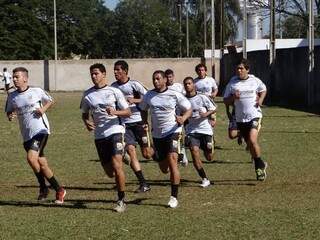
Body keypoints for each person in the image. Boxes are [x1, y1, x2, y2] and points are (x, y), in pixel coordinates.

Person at [5, 67, 66, 203]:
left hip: (41, 130)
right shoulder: (12, 96)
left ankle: (43, 188)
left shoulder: (36, 91)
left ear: (25, 78)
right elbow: (9, 111)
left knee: (31, 158)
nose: (14, 79)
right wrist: (11, 115)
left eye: (17, 77)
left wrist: (43, 109)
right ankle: (59, 189)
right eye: (13, 77)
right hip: (26, 135)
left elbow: (51, 100)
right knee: (42, 164)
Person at [80, 63, 131, 212]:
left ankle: (121, 201)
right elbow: (84, 113)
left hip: (116, 130)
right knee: (110, 173)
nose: (94, 76)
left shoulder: (114, 91)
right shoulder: (88, 95)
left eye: (96, 73)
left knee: (117, 165)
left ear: (104, 74)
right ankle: (124, 154)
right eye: (92, 74)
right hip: (100, 135)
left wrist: (115, 112)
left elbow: (127, 112)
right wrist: (87, 122)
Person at [139, 70, 192, 208]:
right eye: (153, 79)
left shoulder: (174, 94)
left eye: (158, 79)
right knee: (164, 168)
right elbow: (143, 109)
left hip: (173, 131)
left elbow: (189, 109)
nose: (155, 81)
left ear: (164, 80)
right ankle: (170, 160)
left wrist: (183, 118)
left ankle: (174, 197)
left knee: (172, 160)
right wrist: (145, 122)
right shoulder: (149, 95)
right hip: (157, 135)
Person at [111, 60, 152, 193]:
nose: (115, 72)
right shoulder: (113, 87)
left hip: (139, 122)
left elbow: (149, 98)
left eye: (118, 70)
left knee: (146, 154)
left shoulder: (135, 85)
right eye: (114, 70)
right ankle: (143, 183)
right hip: (125, 125)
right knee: (131, 151)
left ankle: (160, 152)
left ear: (125, 71)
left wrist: (135, 100)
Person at [223, 59, 267, 181]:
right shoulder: (232, 83)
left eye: (241, 68)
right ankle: (261, 163)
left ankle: (258, 168)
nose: (239, 70)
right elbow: (225, 100)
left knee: (253, 141)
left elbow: (263, 89)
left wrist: (261, 100)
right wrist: (233, 97)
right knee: (250, 145)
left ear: (247, 69)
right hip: (240, 119)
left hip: (255, 115)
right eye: (237, 68)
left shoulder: (255, 80)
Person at [183, 77, 216, 187]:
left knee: (209, 157)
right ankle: (204, 178)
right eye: (186, 84)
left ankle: (209, 145)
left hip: (205, 130)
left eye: (189, 83)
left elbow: (214, 108)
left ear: (194, 85)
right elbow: (179, 114)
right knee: (194, 151)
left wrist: (206, 115)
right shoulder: (182, 100)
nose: (188, 86)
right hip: (192, 131)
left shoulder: (202, 97)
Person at [164, 69, 188, 166]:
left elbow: (185, 99)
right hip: (169, 116)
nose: (169, 79)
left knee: (180, 134)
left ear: (173, 77)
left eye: (170, 77)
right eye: (167, 77)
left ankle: (183, 153)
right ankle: (175, 153)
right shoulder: (164, 88)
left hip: (180, 114)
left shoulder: (178, 86)